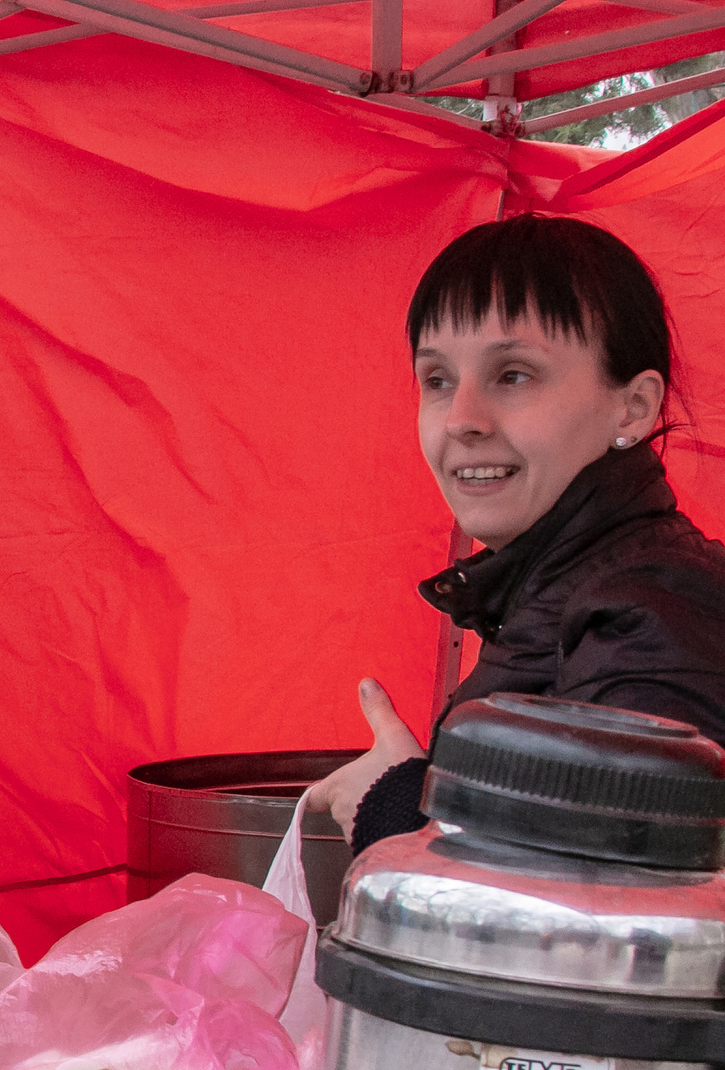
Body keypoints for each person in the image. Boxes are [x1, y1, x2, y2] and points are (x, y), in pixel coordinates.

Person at [307, 215, 725, 848]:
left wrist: (397, 804)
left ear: (634, 408)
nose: (461, 420)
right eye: (438, 380)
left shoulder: (652, 611)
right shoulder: (558, 590)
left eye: (513, 375)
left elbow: (613, 897)